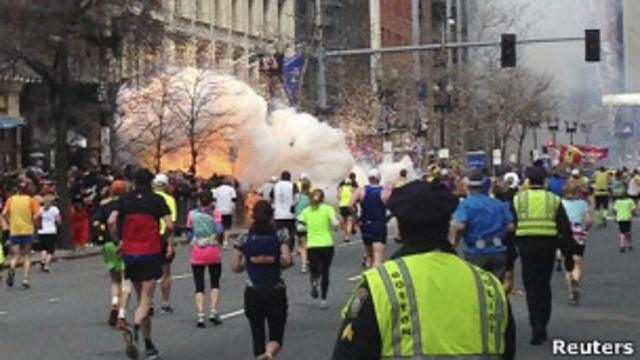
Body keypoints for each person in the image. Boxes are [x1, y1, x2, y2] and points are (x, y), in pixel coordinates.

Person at [333, 180, 515, 360]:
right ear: (448, 224)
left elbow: (349, 352)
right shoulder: (489, 285)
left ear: (400, 228)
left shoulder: (380, 285)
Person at [108, 169, 173, 360]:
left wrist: (118, 241)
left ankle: (149, 344)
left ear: (134, 182)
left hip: (130, 253)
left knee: (139, 297)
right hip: (150, 253)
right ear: (151, 183)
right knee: (146, 300)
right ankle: (135, 326)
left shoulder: (125, 200)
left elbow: (111, 221)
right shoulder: (157, 201)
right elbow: (169, 225)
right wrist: (163, 238)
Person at [513, 166, 576, 345]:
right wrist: (568, 255)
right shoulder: (553, 200)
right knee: (543, 285)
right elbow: (565, 229)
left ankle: (535, 325)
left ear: (527, 181)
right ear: (545, 181)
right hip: (548, 246)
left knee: (531, 287)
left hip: (526, 246)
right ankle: (543, 324)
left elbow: (511, 225)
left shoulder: (519, 200)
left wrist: (510, 252)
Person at [232, 201, 293, 360]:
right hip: (275, 289)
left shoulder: (244, 236)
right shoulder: (280, 234)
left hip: (253, 291)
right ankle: (269, 353)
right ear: (271, 216)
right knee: (276, 335)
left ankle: (261, 354)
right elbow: (287, 260)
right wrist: (271, 260)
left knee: (257, 333)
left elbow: (235, 266)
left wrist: (251, 262)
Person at [453, 170, 515, 284]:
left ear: (468, 186)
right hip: (498, 250)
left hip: (476, 252)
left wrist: (454, 242)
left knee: (479, 288)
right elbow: (511, 226)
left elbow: (460, 226)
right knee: (497, 287)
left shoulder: (465, 204)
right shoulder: (498, 204)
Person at [92, 180, 129, 327]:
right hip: (124, 243)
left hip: (108, 244)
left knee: (114, 279)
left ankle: (114, 303)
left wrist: (101, 230)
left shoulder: (104, 205)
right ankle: (121, 313)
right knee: (126, 280)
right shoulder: (127, 206)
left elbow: (95, 222)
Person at [185, 192, 224, 328]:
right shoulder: (215, 213)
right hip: (212, 251)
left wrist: (195, 240)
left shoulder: (192, 214)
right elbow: (219, 230)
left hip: (197, 252)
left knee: (199, 285)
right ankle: (213, 311)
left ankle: (200, 315)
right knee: (214, 283)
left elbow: (188, 232)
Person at [298, 189, 339, 309]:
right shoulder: (328, 209)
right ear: (323, 198)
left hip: (313, 245)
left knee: (314, 269)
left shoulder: (306, 211)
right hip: (327, 244)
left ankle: (314, 281)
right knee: (326, 271)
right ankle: (323, 299)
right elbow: (335, 223)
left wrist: (304, 234)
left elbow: (300, 227)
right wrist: (336, 227)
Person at [2, 181, 40, 288]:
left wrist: (10, 221)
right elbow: (37, 214)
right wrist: (33, 222)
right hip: (27, 229)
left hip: (15, 230)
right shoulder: (31, 201)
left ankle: (12, 268)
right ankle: (25, 279)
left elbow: (4, 213)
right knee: (27, 255)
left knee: (15, 255)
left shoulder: (11, 200)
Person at [350, 169, 390, 268]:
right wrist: (388, 217)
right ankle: (376, 279)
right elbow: (395, 206)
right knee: (378, 256)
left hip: (366, 224)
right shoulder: (385, 192)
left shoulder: (361, 190)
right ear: (379, 179)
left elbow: (350, 205)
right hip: (379, 224)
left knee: (368, 255)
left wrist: (356, 217)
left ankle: (368, 276)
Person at [561, 182, 592, 305]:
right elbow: (589, 220)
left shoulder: (561, 204)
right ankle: (576, 278)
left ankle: (571, 292)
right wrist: (586, 229)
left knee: (568, 263)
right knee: (578, 261)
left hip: (566, 232)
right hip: (579, 232)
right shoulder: (583, 204)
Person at [153, 173, 178, 315]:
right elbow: (171, 224)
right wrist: (170, 244)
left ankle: (148, 302)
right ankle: (165, 302)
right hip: (163, 237)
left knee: (148, 272)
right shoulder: (169, 199)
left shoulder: (148, 199)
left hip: (149, 238)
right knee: (166, 272)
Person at [272, 171, 297, 249]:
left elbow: (271, 197)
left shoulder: (276, 186)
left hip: (278, 214)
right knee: (291, 232)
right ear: (289, 177)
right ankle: (290, 248)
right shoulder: (292, 185)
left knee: (278, 232)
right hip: (289, 214)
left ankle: (279, 247)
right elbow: (296, 197)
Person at [37, 194, 60, 273]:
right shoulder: (54, 209)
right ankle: (47, 264)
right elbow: (58, 220)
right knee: (51, 249)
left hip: (42, 231)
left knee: (43, 247)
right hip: (51, 231)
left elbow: (38, 218)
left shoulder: (41, 209)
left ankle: (42, 260)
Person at [213, 177, 237, 249]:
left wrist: (215, 208)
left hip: (218, 211)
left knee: (219, 226)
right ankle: (225, 242)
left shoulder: (217, 190)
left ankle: (217, 241)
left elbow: (214, 200)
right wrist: (233, 208)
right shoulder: (231, 189)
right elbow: (234, 200)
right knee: (227, 227)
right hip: (228, 210)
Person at [294, 179, 311, 272]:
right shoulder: (311, 197)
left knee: (302, 245)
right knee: (308, 244)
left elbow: (293, 205)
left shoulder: (297, 196)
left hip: (299, 223)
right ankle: (309, 260)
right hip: (309, 223)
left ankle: (303, 265)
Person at [337, 178, 355, 243]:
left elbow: (338, 197)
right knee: (349, 221)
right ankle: (348, 236)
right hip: (349, 206)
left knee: (344, 221)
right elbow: (354, 197)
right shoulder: (352, 188)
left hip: (342, 206)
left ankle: (345, 235)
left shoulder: (341, 189)